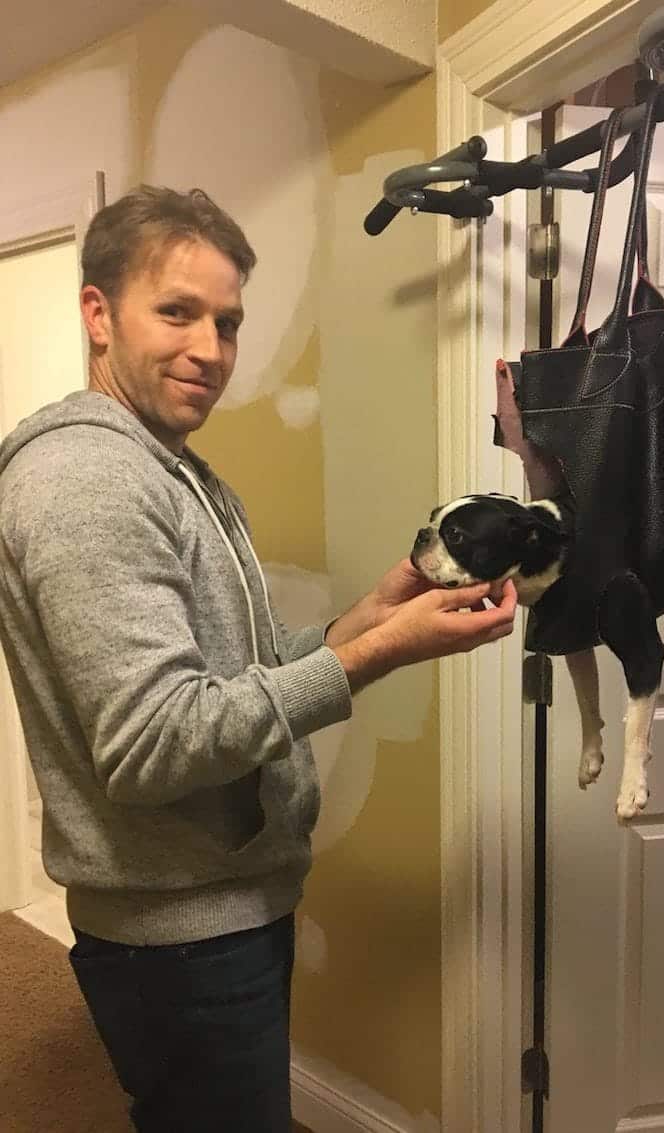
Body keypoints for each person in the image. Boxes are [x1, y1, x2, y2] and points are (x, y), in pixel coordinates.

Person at [0, 185, 517, 1132]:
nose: (210, 349)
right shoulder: (88, 480)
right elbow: (154, 743)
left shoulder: (174, 468)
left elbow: (234, 675)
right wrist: (371, 657)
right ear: (98, 314)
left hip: (220, 909)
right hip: (179, 940)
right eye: (177, 312)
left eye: (228, 322)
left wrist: (371, 620)